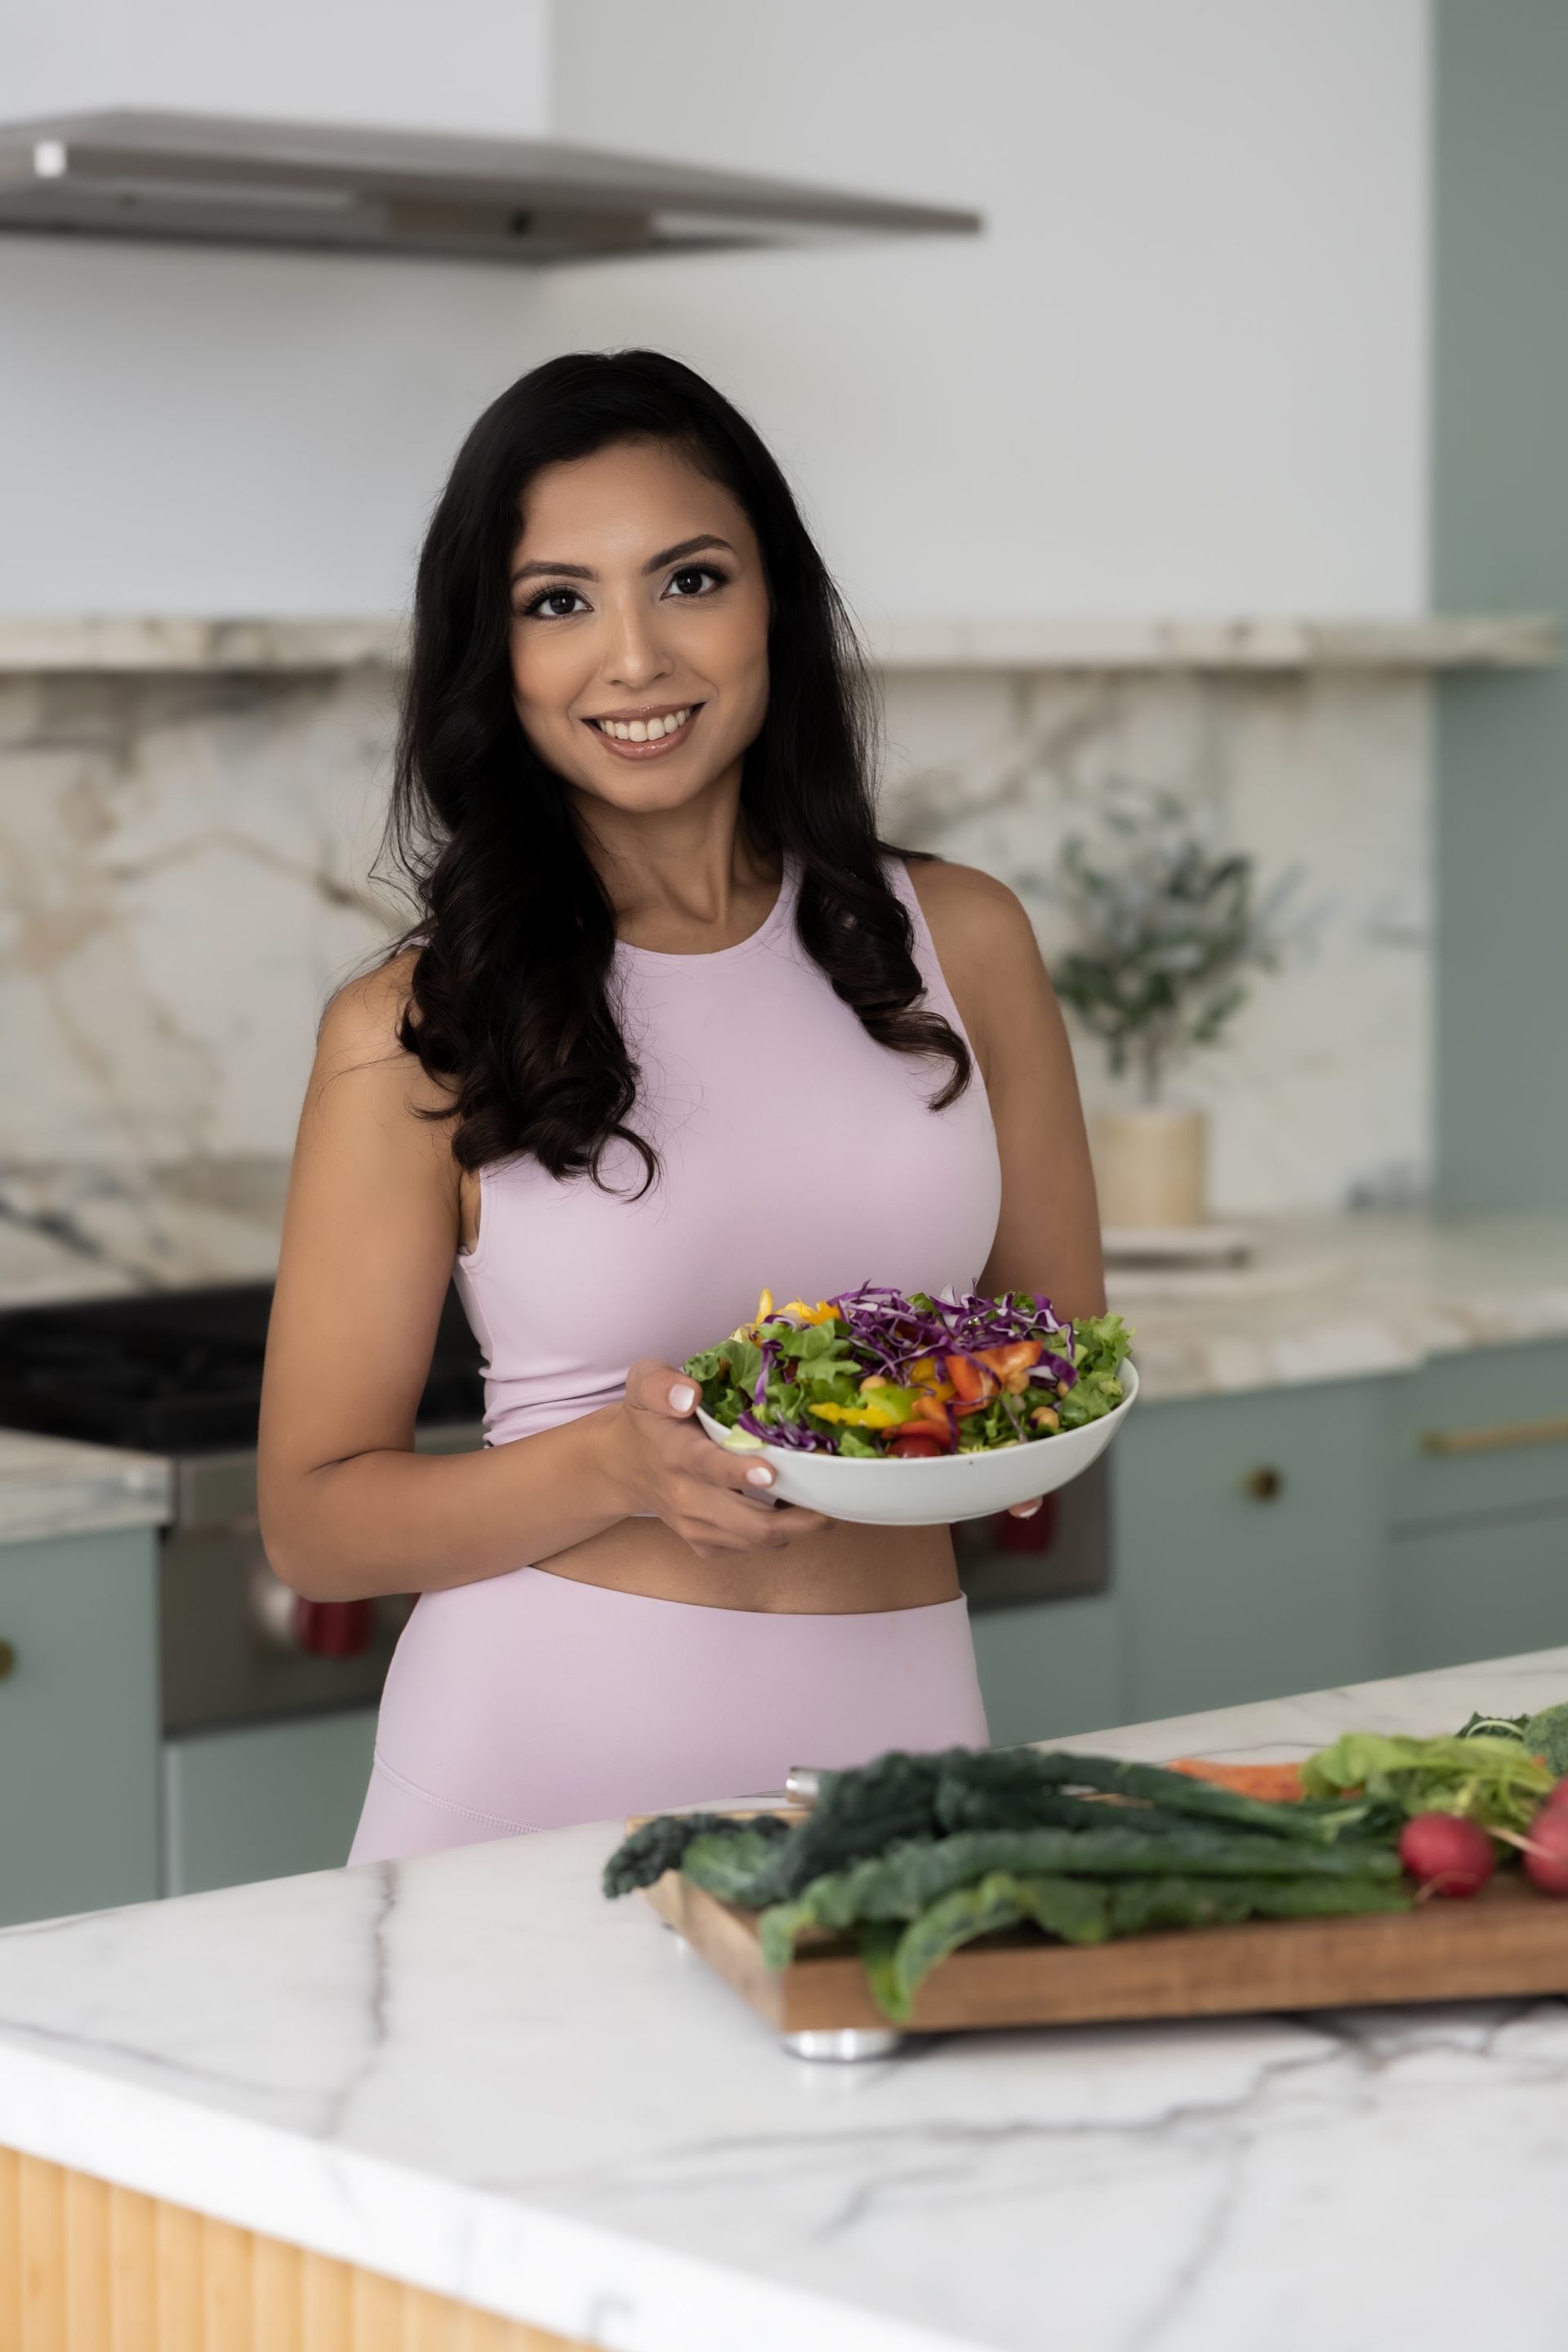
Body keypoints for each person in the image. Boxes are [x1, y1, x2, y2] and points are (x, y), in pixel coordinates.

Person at [256, 349, 1106, 1863]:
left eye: (690, 580)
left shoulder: (964, 943)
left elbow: (1059, 1359)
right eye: (558, 601)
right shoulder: (414, 1027)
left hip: (896, 1778)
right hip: (526, 1788)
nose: (633, 657)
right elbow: (313, 1521)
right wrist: (611, 1466)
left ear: (773, 598)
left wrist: (924, 1423)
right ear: (493, 656)